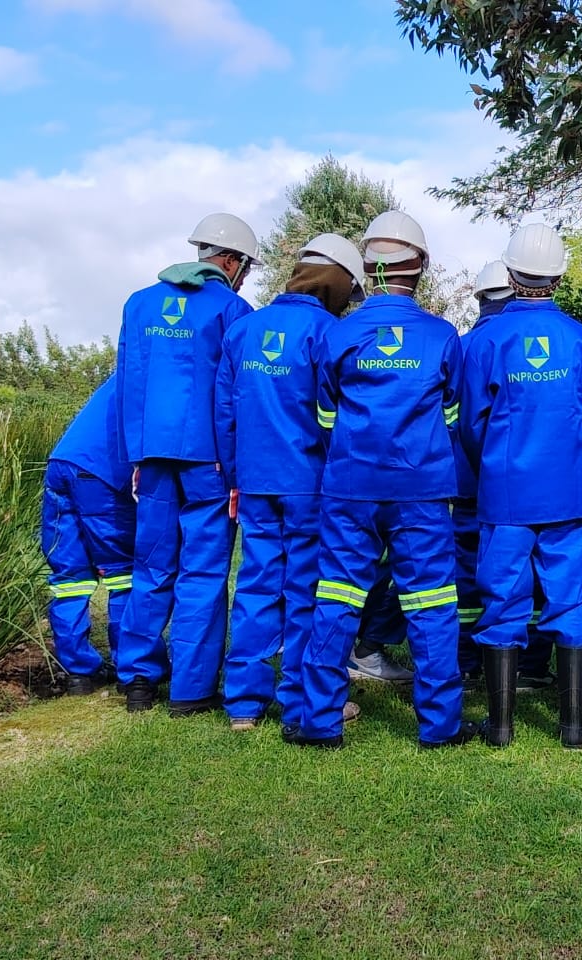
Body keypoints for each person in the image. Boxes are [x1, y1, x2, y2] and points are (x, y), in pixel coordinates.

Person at [296, 211, 473, 749]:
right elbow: (452, 415)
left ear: (368, 267)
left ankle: (319, 722)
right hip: (422, 488)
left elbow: (325, 415)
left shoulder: (339, 333)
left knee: (337, 594)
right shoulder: (442, 336)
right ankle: (440, 726)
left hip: (351, 484)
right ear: (420, 267)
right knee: (431, 600)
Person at [459, 222, 582, 748]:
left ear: (510, 272)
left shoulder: (485, 340)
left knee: (501, 596)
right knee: (571, 596)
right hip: (567, 489)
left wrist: (495, 461)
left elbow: (471, 422)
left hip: (505, 491)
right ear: (559, 276)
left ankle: (500, 727)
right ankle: (573, 727)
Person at [215, 233, 366, 731]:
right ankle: (302, 701)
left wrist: (235, 476)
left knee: (256, 584)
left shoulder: (243, 330)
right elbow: (338, 416)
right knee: (306, 590)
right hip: (311, 481)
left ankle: (243, 704)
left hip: (255, 479)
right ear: (338, 284)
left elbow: (225, 412)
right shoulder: (329, 333)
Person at [115, 212, 257, 714]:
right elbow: (235, 395)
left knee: (151, 565)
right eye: (246, 268)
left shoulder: (139, 304)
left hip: (152, 454)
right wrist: (235, 469)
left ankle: (138, 681)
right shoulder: (233, 310)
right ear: (231, 261)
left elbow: (128, 383)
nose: (245, 277)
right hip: (209, 460)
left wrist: (135, 455)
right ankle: (190, 690)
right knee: (203, 570)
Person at [453, 261, 557, 692]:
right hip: (529, 482)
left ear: (480, 297)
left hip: (466, 483)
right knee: (534, 571)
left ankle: (466, 661)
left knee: (466, 574)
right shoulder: (529, 340)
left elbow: (463, 421)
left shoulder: (462, 346)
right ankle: (530, 663)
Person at [41, 374, 135, 694]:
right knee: (123, 573)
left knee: (70, 575)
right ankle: (131, 667)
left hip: (61, 462)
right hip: (100, 470)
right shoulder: (151, 374)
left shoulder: (122, 372)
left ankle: (79, 672)